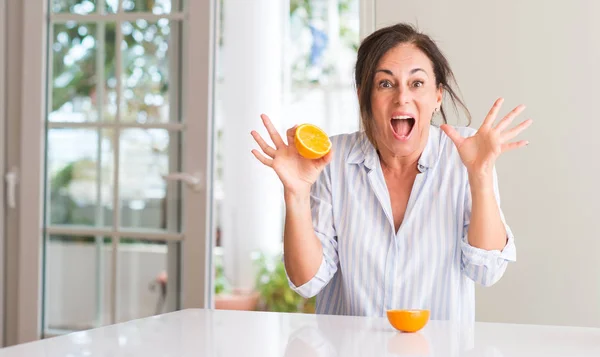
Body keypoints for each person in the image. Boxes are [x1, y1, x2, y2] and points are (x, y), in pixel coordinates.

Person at [250, 23, 532, 321]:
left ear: (437, 96)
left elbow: (485, 270)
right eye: (385, 84)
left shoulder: (464, 156)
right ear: (364, 96)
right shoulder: (331, 160)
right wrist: (296, 194)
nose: (402, 98)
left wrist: (481, 176)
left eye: (417, 83)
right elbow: (308, 282)